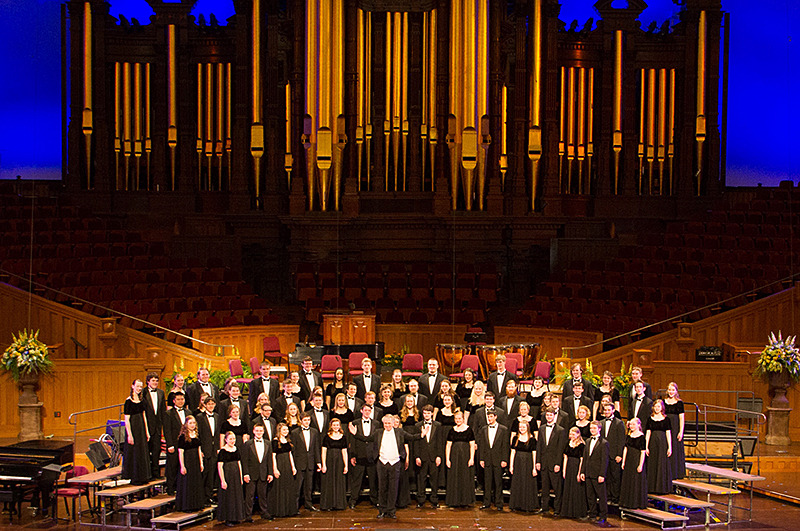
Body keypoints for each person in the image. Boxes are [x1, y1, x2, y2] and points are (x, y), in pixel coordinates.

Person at [349, 414, 428, 519]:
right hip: (382, 463)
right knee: (382, 488)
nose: (387, 425)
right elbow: (366, 438)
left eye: (389, 423)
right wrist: (356, 434)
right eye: (385, 423)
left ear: (393, 423)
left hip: (395, 463)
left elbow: (411, 437)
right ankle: (382, 510)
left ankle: (391, 511)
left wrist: (422, 435)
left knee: (393, 488)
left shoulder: (399, 432)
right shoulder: (378, 432)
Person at [347, 403, 379, 508]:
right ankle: (353, 500)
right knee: (357, 480)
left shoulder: (376, 424)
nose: (367, 412)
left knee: (373, 480)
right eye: (365, 410)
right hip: (359, 455)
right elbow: (353, 440)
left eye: (369, 411)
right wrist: (352, 455)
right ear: (361, 411)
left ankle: (374, 500)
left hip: (372, 456)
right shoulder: (355, 423)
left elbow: (375, 440)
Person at [537, 406, 566, 516]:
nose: (549, 417)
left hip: (554, 463)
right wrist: (538, 461)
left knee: (557, 488)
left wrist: (558, 463)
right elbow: (539, 445)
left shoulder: (560, 430)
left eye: (550, 415)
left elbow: (560, 448)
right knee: (544, 487)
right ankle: (544, 508)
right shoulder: (542, 428)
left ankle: (557, 509)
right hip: (544, 462)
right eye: (547, 415)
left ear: (554, 416)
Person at [478, 410, 509, 511]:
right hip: (487, 459)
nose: (489, 419)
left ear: (495, 417)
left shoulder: (503, 429)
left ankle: (499, 503)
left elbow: (505, 446)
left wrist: (504, 459)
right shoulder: (483, 429)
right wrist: (481, 458)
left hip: (498, 459)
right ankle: (486, 502)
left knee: (498, 482)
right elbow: (482, 445)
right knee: (487, 482)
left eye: (491, 416)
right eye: (488, 417)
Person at [242, 423, 273, 522]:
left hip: (263, 473)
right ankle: (248, 515)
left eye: (261, 431)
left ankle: (264, 512)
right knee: (249, 495)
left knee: (262, 494)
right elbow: (245, 460)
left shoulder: (268, 443)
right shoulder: (248, 444)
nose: (259, 432)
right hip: (251, 473)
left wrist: (270, 473)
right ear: (253, 431)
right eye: (257, 431)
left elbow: (269, 460)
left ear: (263, 432)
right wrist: (245, 473)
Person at [445, 409, 476, 508]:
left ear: (463, 419)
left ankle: (465, 501)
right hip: (454, 457)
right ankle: (454, 500)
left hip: (465, 456)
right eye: (456, 418)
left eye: (460, 418)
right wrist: (447, 459)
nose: (458, 420)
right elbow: (448, 446)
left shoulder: (469, 429)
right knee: (454, 477)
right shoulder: (451, 430)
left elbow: (472, 445)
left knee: (465, 477)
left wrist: (471, 458)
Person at [414, 404, 443, 508]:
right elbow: (416, 443)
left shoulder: (438, 425)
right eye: (425, 413)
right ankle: (421, 500)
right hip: (422, 456)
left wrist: (439, 456)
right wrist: (417, 456)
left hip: (434, 456)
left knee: (434, 479)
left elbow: (440, 442)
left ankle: (434, 499)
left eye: (428, 413)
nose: (426, 415)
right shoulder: (418, 426)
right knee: (421, 479)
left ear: (431, 413)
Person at [291, 412, 321, 512]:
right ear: (301, 421)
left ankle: (308, 504)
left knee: (309, 485)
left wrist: (318, 462)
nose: (307, 422)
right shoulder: (295, 432)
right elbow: (293, 450)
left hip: (310, 462)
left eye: (308, 420)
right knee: (298, 486)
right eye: (305, 420)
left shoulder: (314, 431)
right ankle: (295, 506)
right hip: (299, 462)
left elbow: (316, 448)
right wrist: (293, 465)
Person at [123, 379, 151, 485]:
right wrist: (129, 435)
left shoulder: (142, 400)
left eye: (141, 387)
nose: (139, 388)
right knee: (134, 453)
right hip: (133, 429)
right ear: (132, 386)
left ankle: (143, 476)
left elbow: (144, 417)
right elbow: (127, 420)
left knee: (142, 452)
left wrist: (147, 432)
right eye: (137, 386)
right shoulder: (128, 401)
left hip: (141, 429)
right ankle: (134, 477)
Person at [581, 420, 609, 524]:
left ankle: (603, 516)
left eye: (594, 428)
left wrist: (602, 474)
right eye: (591, 428)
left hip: (598, 474)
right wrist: (583, 471)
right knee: (590, 495)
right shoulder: (588, 441)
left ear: (599, 429)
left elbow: (604, 460)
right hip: (588, 472)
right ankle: (592, 514)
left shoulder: (604, 443)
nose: (592, 430)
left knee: (601, 496)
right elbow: (585, 457)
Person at [508, 419, 539, 513]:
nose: (521, 429)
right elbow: (513, 452)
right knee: (518, 482)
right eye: (520, 427)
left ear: (527, 428)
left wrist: (534, 467)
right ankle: (517, 504)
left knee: (528, 483)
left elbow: (534, 454)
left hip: (528, 463)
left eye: (523, 427)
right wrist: (511, 466)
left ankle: (528, 505)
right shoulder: (515, 439)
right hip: (518, 463)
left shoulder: (532, 439)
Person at [176, 415, 204, 511]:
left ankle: (197, 504)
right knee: (188, 483)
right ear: (186, 424)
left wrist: (201, 463)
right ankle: (187, 506)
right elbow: (181, 452)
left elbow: (199, 450)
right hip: (188, 461)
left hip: (195, 461)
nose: (192, 425)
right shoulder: (182, 437)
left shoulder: (196, 435)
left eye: (193, 423)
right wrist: (182, 466)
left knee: (196, 483)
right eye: (190, 423)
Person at [217, 431, 246, 527]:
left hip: (236, 476)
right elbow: (220, 466)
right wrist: (223, 480)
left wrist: (241, 477)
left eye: (234, 439)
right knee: (228, 497)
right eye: (230, 439)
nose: (232, 441)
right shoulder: (222, 451)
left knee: (236, 496)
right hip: (227, 475)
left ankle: (236, 517)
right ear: (225, 440)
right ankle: (228, 518)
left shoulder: (236, 449)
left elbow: (239, 463)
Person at [600, 402, 626, 505]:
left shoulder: (619, 423)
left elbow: (621, 440)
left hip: (614, 454)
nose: (606, 412)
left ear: (613, 410)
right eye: (605, 410)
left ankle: (615, 498)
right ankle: (607, 496)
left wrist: (619, 454)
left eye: (608, 410)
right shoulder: (601, 422)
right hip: (604, 454)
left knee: (615, 477)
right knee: (606, 477)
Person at [270, 423, 299, 517]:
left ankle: (289, 510)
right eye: (284, 430)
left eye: (287, 430)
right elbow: (273, 456)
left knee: (288, 486)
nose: (286, 432)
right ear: (279, 430)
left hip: (287, 465)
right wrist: (275, 469)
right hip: (280, 464)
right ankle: (280, 510)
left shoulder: (287, 440)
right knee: (280, 487)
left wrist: (293, 467)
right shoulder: (275, 441)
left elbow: (290, 454)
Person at [320, 418, 349, 510]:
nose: (336, 427)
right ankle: (328, 504)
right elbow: (323, 451)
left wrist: (346, 465)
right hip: (329, 460)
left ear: (339, 426)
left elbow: (344, 452)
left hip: (339, 461)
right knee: (329, 481)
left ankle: (339, 504)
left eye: (337, 425)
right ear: (331, 426)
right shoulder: (326, 437)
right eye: (334, 425)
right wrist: (324, 464)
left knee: (339, 481)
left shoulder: (343, 437)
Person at [197, 395, 221, 501]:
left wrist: (218, 447)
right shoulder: (199, 417)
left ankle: (209, 496)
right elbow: (198, 434)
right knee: (205, 474)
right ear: (205, 405)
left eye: (212, 404)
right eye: (209, 404)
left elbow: (218, 434)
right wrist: (201, 449)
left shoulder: (217, 416)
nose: (211, 406)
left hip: (214, 449)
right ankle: (202, 496)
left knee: (212, 474)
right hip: (204, 449)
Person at [646, 399, 673, 494]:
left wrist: (670, 447)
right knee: (653, 463)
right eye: (655, 406)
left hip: (662, 444)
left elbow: (668, 433)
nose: (657, 408)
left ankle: (661, 488)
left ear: (662, 408)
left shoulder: (666, 419)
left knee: (661, 463)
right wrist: (646, 446)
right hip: (653, 443)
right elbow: (648, 433)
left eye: (659, 406)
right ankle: (651, 487)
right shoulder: (650, 419)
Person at [620, 418, 648, 509]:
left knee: (636, 481)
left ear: (638, 425)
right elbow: (625, 448)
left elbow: (643, 452)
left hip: (636, 460)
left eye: (633, 424)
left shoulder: (642, 437)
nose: (631, 426)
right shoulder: (628, 436)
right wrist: (623, 461)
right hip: (629, 460)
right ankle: (627, 502)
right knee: (628, 480)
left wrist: (641, 464)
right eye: (630, 424)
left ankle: (636, 503)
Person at [560, 426, 587, 519]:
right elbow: (565, 457)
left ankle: (577, 512)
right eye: (570, 434)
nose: (571, 436)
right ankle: (567, 511)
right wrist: (564, 470)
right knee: (568, 487)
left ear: (578, 434)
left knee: (576, 489)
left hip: (576, 467)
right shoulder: (568, 443)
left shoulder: (582, 445)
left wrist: (579, 472)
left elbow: (582, 460)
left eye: (573, 434)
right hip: (569, 467)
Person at [164, 391, 188, 495]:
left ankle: (181, 488)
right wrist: (169, 444)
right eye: (178, 399)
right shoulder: (168, 414)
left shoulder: (188, 413)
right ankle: (170, 488)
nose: (180, 401)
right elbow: (167, 430)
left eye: (182, 399)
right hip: (174, 443)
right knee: (172, 466)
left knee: (183, 467)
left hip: (186, 444)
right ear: (174, 401)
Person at [142, 372, 165, 479]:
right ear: (148, 382)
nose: (155, 382)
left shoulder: (161, 392)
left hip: (157, 426)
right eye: (153, 380)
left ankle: (156, 473)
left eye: (156, 380)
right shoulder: (143, 392)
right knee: (147, 451)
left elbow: (163, 410)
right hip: (146, 427)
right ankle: (147, 474)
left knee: (156, 450)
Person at [664, 381, 686, 480]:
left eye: (673, 390)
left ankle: (675, 473)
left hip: (675, 427)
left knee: (675, 449)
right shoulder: (663, 402)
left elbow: (682, 418)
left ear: (676, 391)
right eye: (669, 390)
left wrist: (681, 431)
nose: (671, 392)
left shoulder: (679, 403)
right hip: (665, 427)